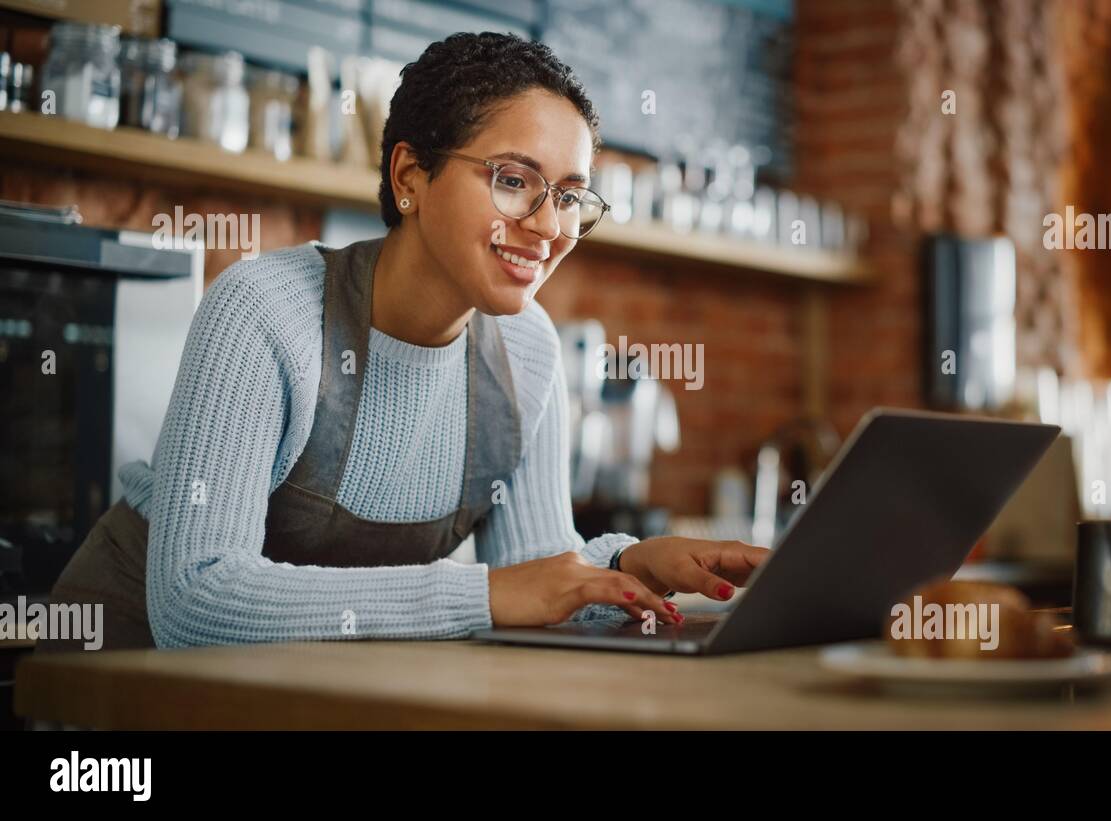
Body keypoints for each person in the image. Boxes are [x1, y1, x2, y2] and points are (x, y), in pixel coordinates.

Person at [38, 31, 769, 652]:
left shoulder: (529, 349)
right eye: (515, 180)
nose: (550, 227)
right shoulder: (266, 312)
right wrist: (481, 594)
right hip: (113, 690)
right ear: (410, 175)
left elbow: (532, 577)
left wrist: (639, 565)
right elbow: (195, 604)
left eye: (572, 196)